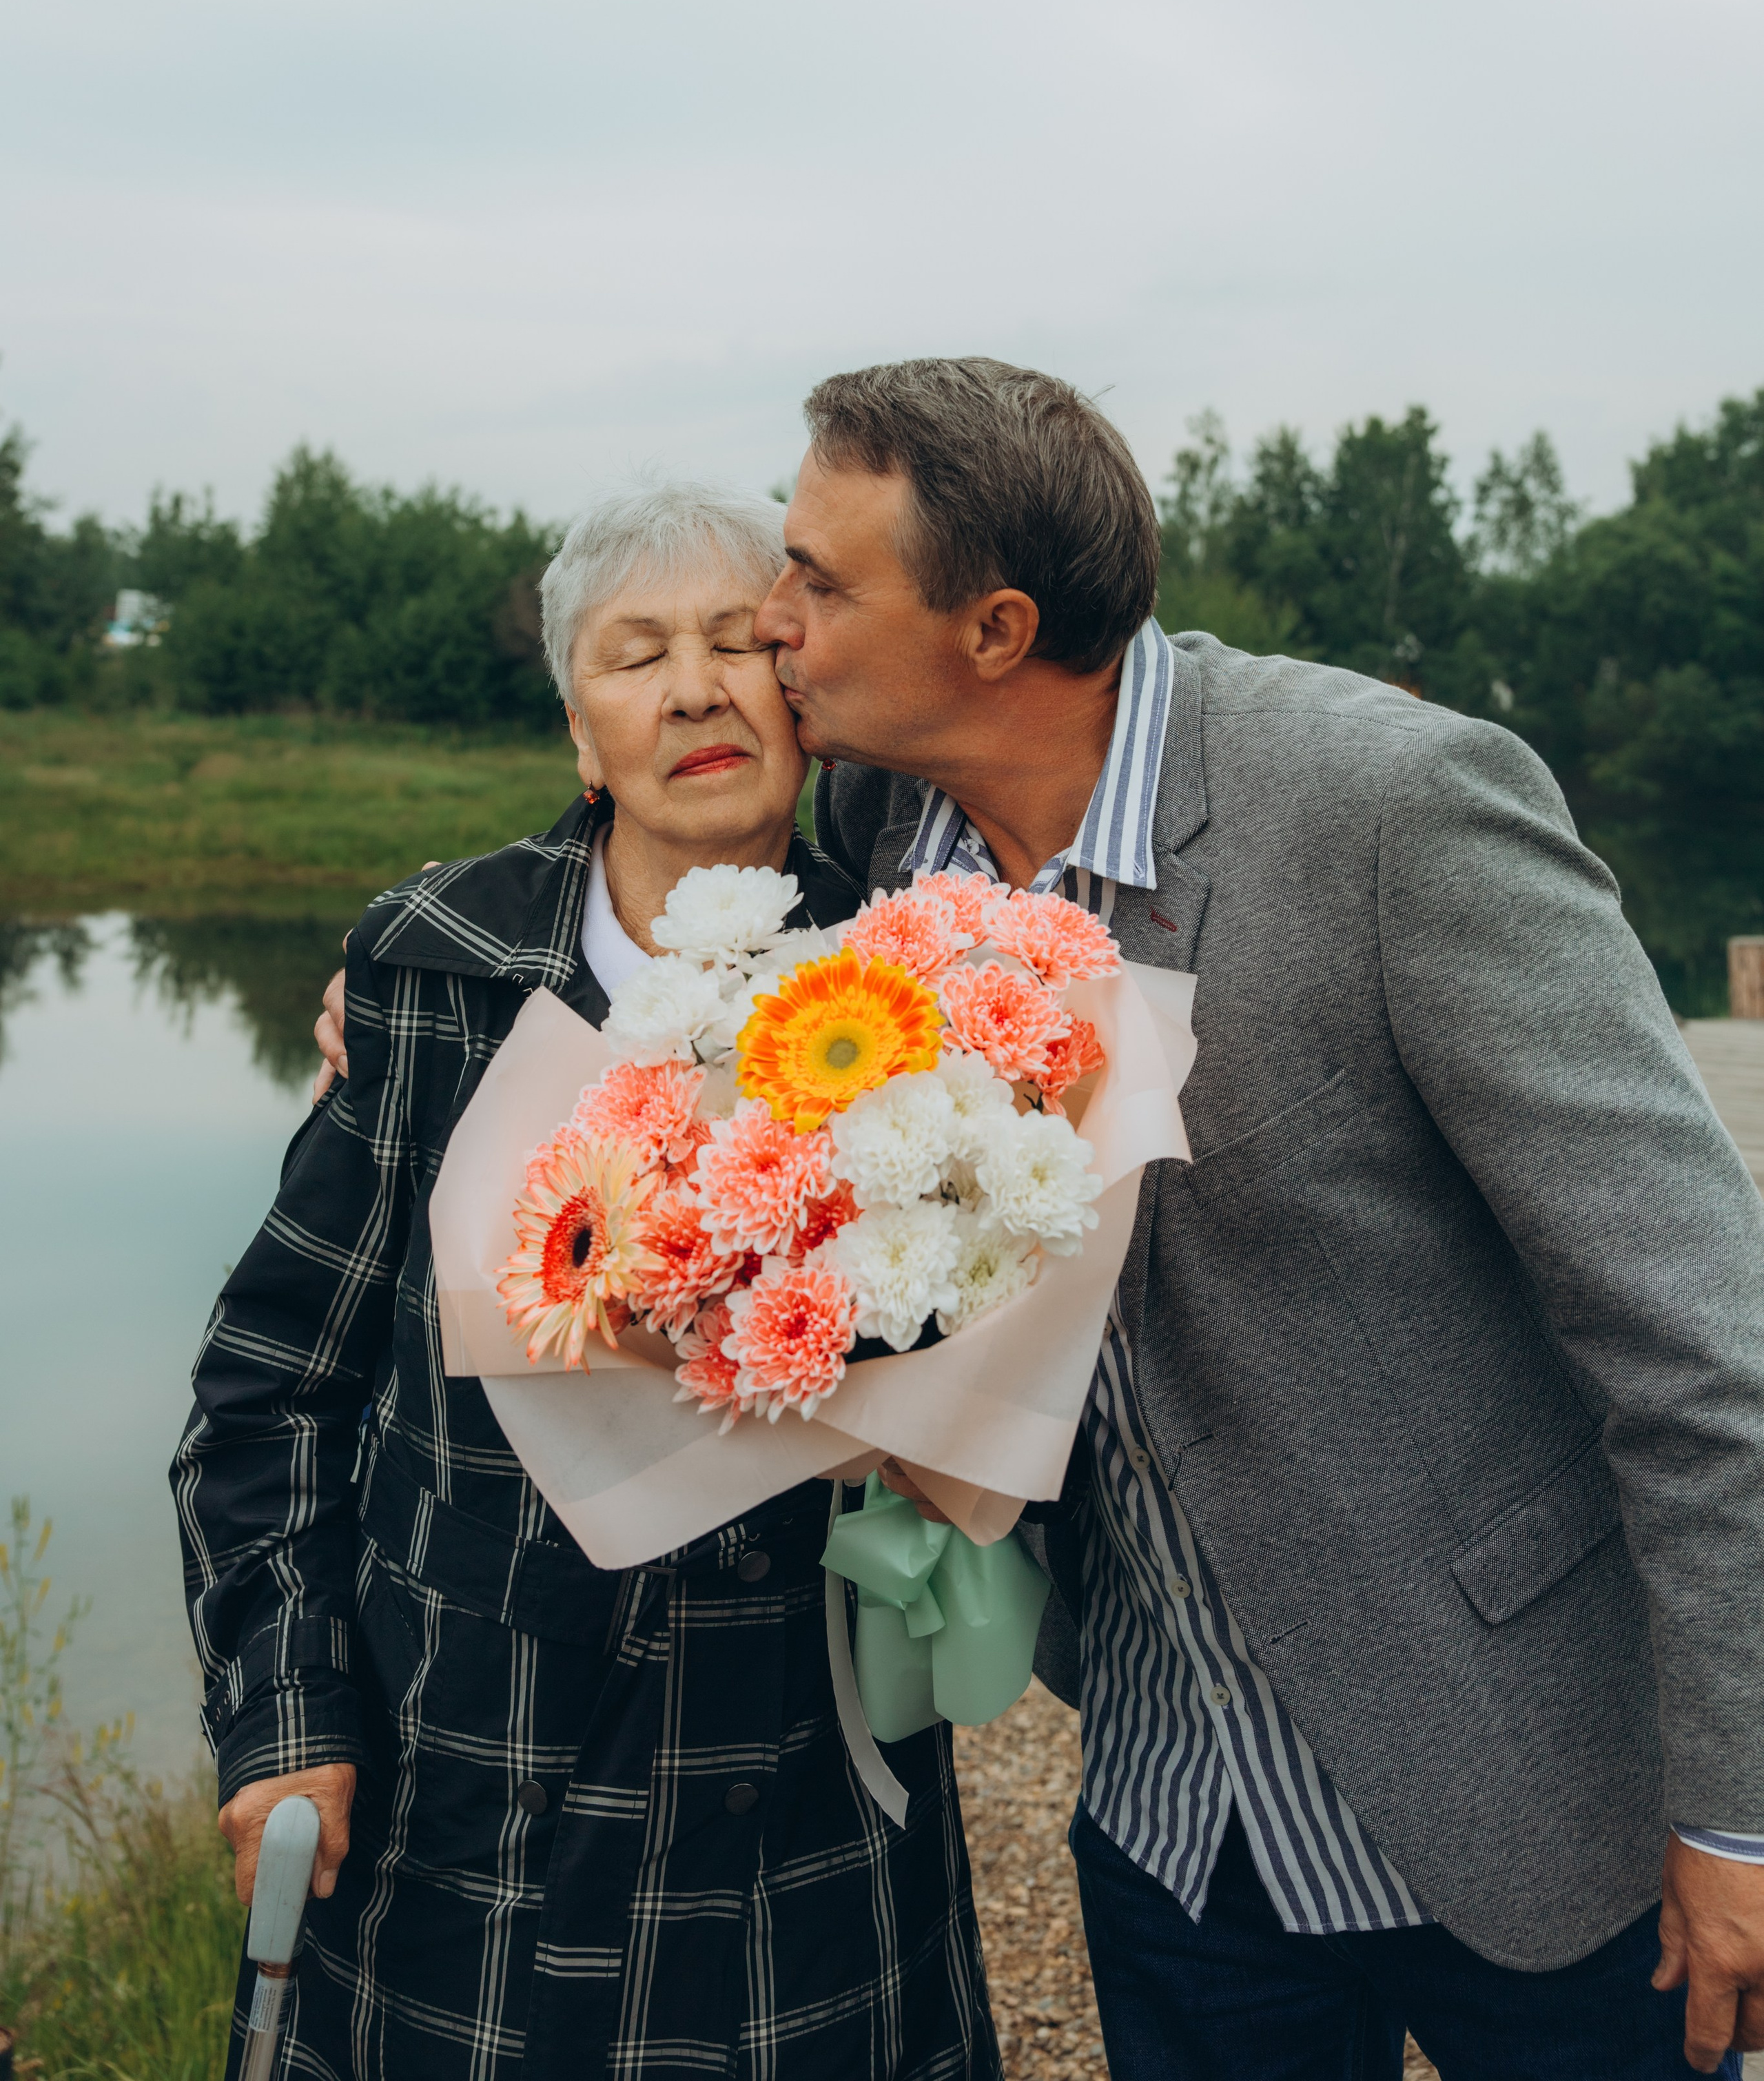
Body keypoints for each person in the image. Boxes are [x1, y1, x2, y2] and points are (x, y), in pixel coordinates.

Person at [740, 356, 1764, 2081]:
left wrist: (1738, 1816)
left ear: (993, 632)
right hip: (1171, 1812)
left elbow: (1701, 1347)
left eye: (817, 582)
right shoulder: (869, 834)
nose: (769, 621)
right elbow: (642, 892)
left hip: (1531, 1793)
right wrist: (409, 984)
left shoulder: (1393, 811)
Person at [174, 482, 1001, 2081]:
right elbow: (271, 1386)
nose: (692, 688)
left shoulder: (919, 981)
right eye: (636, 657)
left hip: (803, 1809)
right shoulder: (434, 972)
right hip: (465, 1802)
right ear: (579, 733)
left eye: (734, 642)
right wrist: (287, 1723)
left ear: (803, 693)